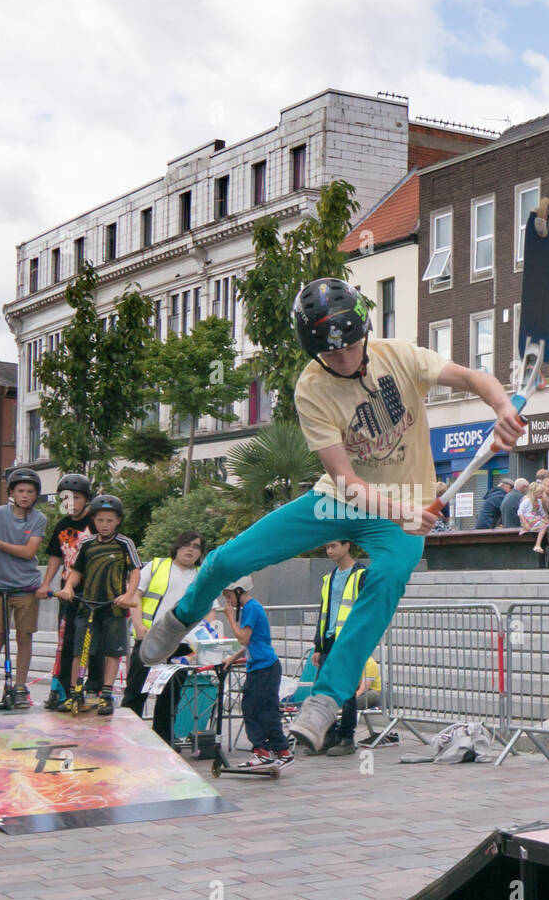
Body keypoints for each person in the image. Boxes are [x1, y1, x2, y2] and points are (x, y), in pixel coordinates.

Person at [137, 277, 523, 756]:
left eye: (351, 347)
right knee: (225, 560)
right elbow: (346, 481)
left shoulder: (397, 355)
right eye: (331, 353)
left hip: (403, 502)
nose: (344, 359)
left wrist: (502, 405)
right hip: (341, 498)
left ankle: (326, 698)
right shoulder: (311, 387)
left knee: (387, 576)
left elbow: (470, 378)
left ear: (364, 330)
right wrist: (406, 511)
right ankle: (178, 620)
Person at [59, 493, 140, 716]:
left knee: (113, 651)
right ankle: (75, 693)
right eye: (100, 520)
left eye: (110, 521)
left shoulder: (124, 543)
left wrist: (128, 594)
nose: (105, 525)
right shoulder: (86, 543)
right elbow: (77, 570)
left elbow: (135, 571)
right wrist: (68, 588)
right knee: (80, 650)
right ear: (94, 520)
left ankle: (106, 694)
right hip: (88, 604)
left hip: (113, 605)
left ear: (118, 521)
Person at [123, 530, 206, 744]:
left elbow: (209, 611)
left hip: (182, 644)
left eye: (196, 547)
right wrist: (139, 625)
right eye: (187, 544)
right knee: (136, 691)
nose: (191, 550)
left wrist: (203, 641)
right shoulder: (157, 565)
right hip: (150, 640)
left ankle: (163, 740)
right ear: (177, 546)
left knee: (170, 697)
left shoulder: (202, 576)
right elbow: (136, 596)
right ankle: (127, 738)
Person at [0, 467, 46, 708]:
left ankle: (20, 684)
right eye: (20, 491)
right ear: (12, 493)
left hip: (26, 587)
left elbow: (29, 552)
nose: (25, 496)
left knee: (24, 637)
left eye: (30, 491)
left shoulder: (38, 518)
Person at [219, 576, 291, 769]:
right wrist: (232, 659)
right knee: (252, 708)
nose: (228, 602)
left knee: (262, 710)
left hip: (264, 668)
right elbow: (252, 642)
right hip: (260, 666)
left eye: (228, 596)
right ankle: (265, 750)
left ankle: (277, 750)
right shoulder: (251, 608)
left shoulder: (250, 608)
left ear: (239, 591)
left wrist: (228, 616)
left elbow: (243, 638)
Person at [42, 472, 99, 709]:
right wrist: (46, 584)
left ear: (86, 499)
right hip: (68, 594)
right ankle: (63, 691)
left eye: (77, 497)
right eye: (66, 498)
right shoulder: (63, 525)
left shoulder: (96, 523)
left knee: (93, 644)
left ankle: (94, 689)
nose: (71, 503)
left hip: (93, 594)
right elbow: (56, 556)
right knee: (65, 644)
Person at [314, 540, 367, 757]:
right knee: (323, 690)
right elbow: (323, 612)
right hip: (329, 641)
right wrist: (317, 645)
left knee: (347, 692)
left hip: (349, 642)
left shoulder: (361, 575)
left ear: (347, 546)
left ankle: (347, 737)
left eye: (333, 546)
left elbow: (364, 610)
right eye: (326, 547)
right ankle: (329, 734)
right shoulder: (329, 578)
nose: (329, 551)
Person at [519, 478, 549, 556]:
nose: (541, 495)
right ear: (534, 493)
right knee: (544, 526)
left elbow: (542, 513)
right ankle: (537, 545)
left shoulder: (539, 502)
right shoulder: (526, 501)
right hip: (528, 519)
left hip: (536, 519)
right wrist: (525, 524)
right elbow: (520, 513)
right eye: (540, 493)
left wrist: (547, 520)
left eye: (542, 493)